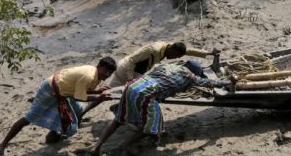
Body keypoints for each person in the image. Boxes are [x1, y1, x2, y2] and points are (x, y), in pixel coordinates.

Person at [89, 60, 231, 156]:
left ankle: (97, 146)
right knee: (153, 126)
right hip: (146, 94)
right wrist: (225, 83)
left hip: (132, 86)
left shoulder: (166, 66)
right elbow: (208, 82)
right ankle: (122, 146)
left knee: (119, 119)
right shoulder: (190, 77)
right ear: (194, 72)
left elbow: (153, 76)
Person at [0, 57, 117, 156]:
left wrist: (97, 91)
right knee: (29, 118)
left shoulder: (96, 76)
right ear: (99, 66)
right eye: (106, 70)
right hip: (51, 89)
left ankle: (54, 133)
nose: (107, 75)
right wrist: (98, 96)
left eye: (110, 73)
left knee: (77, 110)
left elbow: (80, 90)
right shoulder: (88, 76)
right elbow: (80, 96)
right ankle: (1, 148)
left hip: (64, 92)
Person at [81, 41, 220, 116]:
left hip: (135, 71)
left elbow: (188, 50)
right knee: (139, 92)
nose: (175, 59)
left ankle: (83, 112)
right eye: (175, 56)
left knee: (108, 92)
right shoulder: (153, 49)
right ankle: (118, 108)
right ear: (172, 50)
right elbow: (132, 61)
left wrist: (208, 53)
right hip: (128, 69)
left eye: (178, 58)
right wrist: (130, 80)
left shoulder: (169, 46)